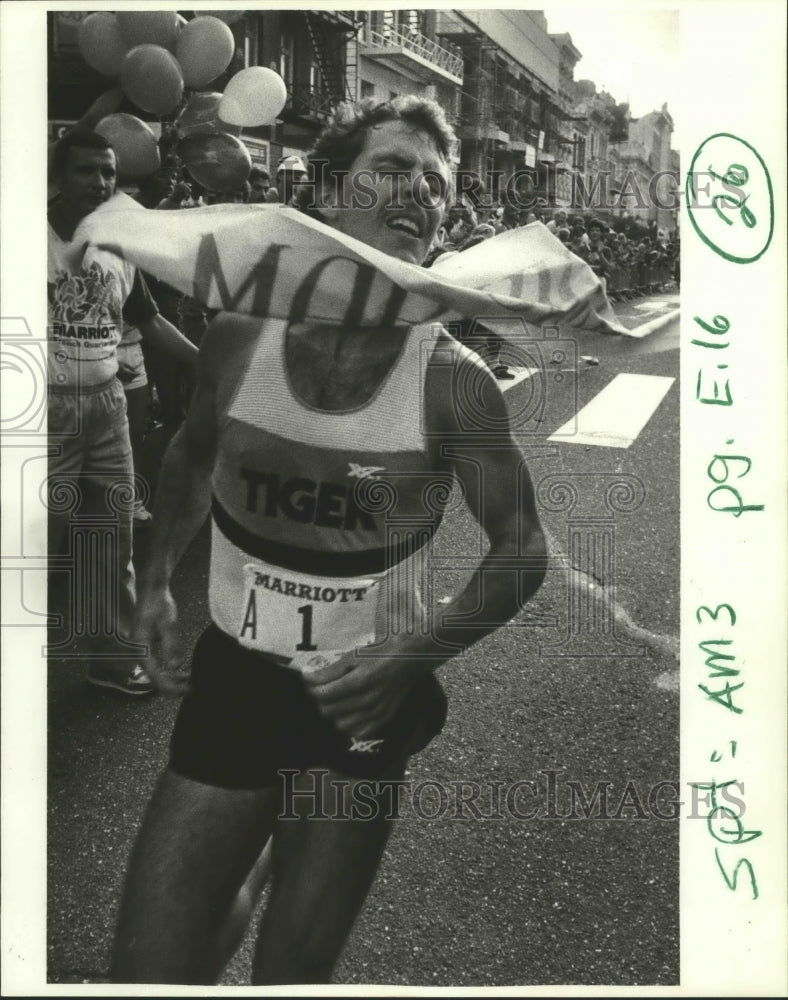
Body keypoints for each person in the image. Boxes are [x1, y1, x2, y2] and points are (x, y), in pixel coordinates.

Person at [111, 96, 547, 984]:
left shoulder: (453, 384)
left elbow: (521, 548)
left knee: (290, 976)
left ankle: (285, 839)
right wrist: (156, 579)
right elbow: (195, 454)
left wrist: (412, 659)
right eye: (392, 169)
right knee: (149, 968)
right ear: (331, 188)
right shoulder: (240, 336)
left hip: (364, 706)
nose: (418, 193)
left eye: (436, 185)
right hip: (237, 675)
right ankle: (263, 847)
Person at [48, 129, 198, 694]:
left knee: (110, 538)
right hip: (41, 409)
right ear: (58, 178)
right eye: (86, 171)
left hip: (107, 406)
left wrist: (207, 363)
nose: (101, 182)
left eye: (109, 172)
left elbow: (149, 321)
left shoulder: (119, 246)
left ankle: (113, 660)